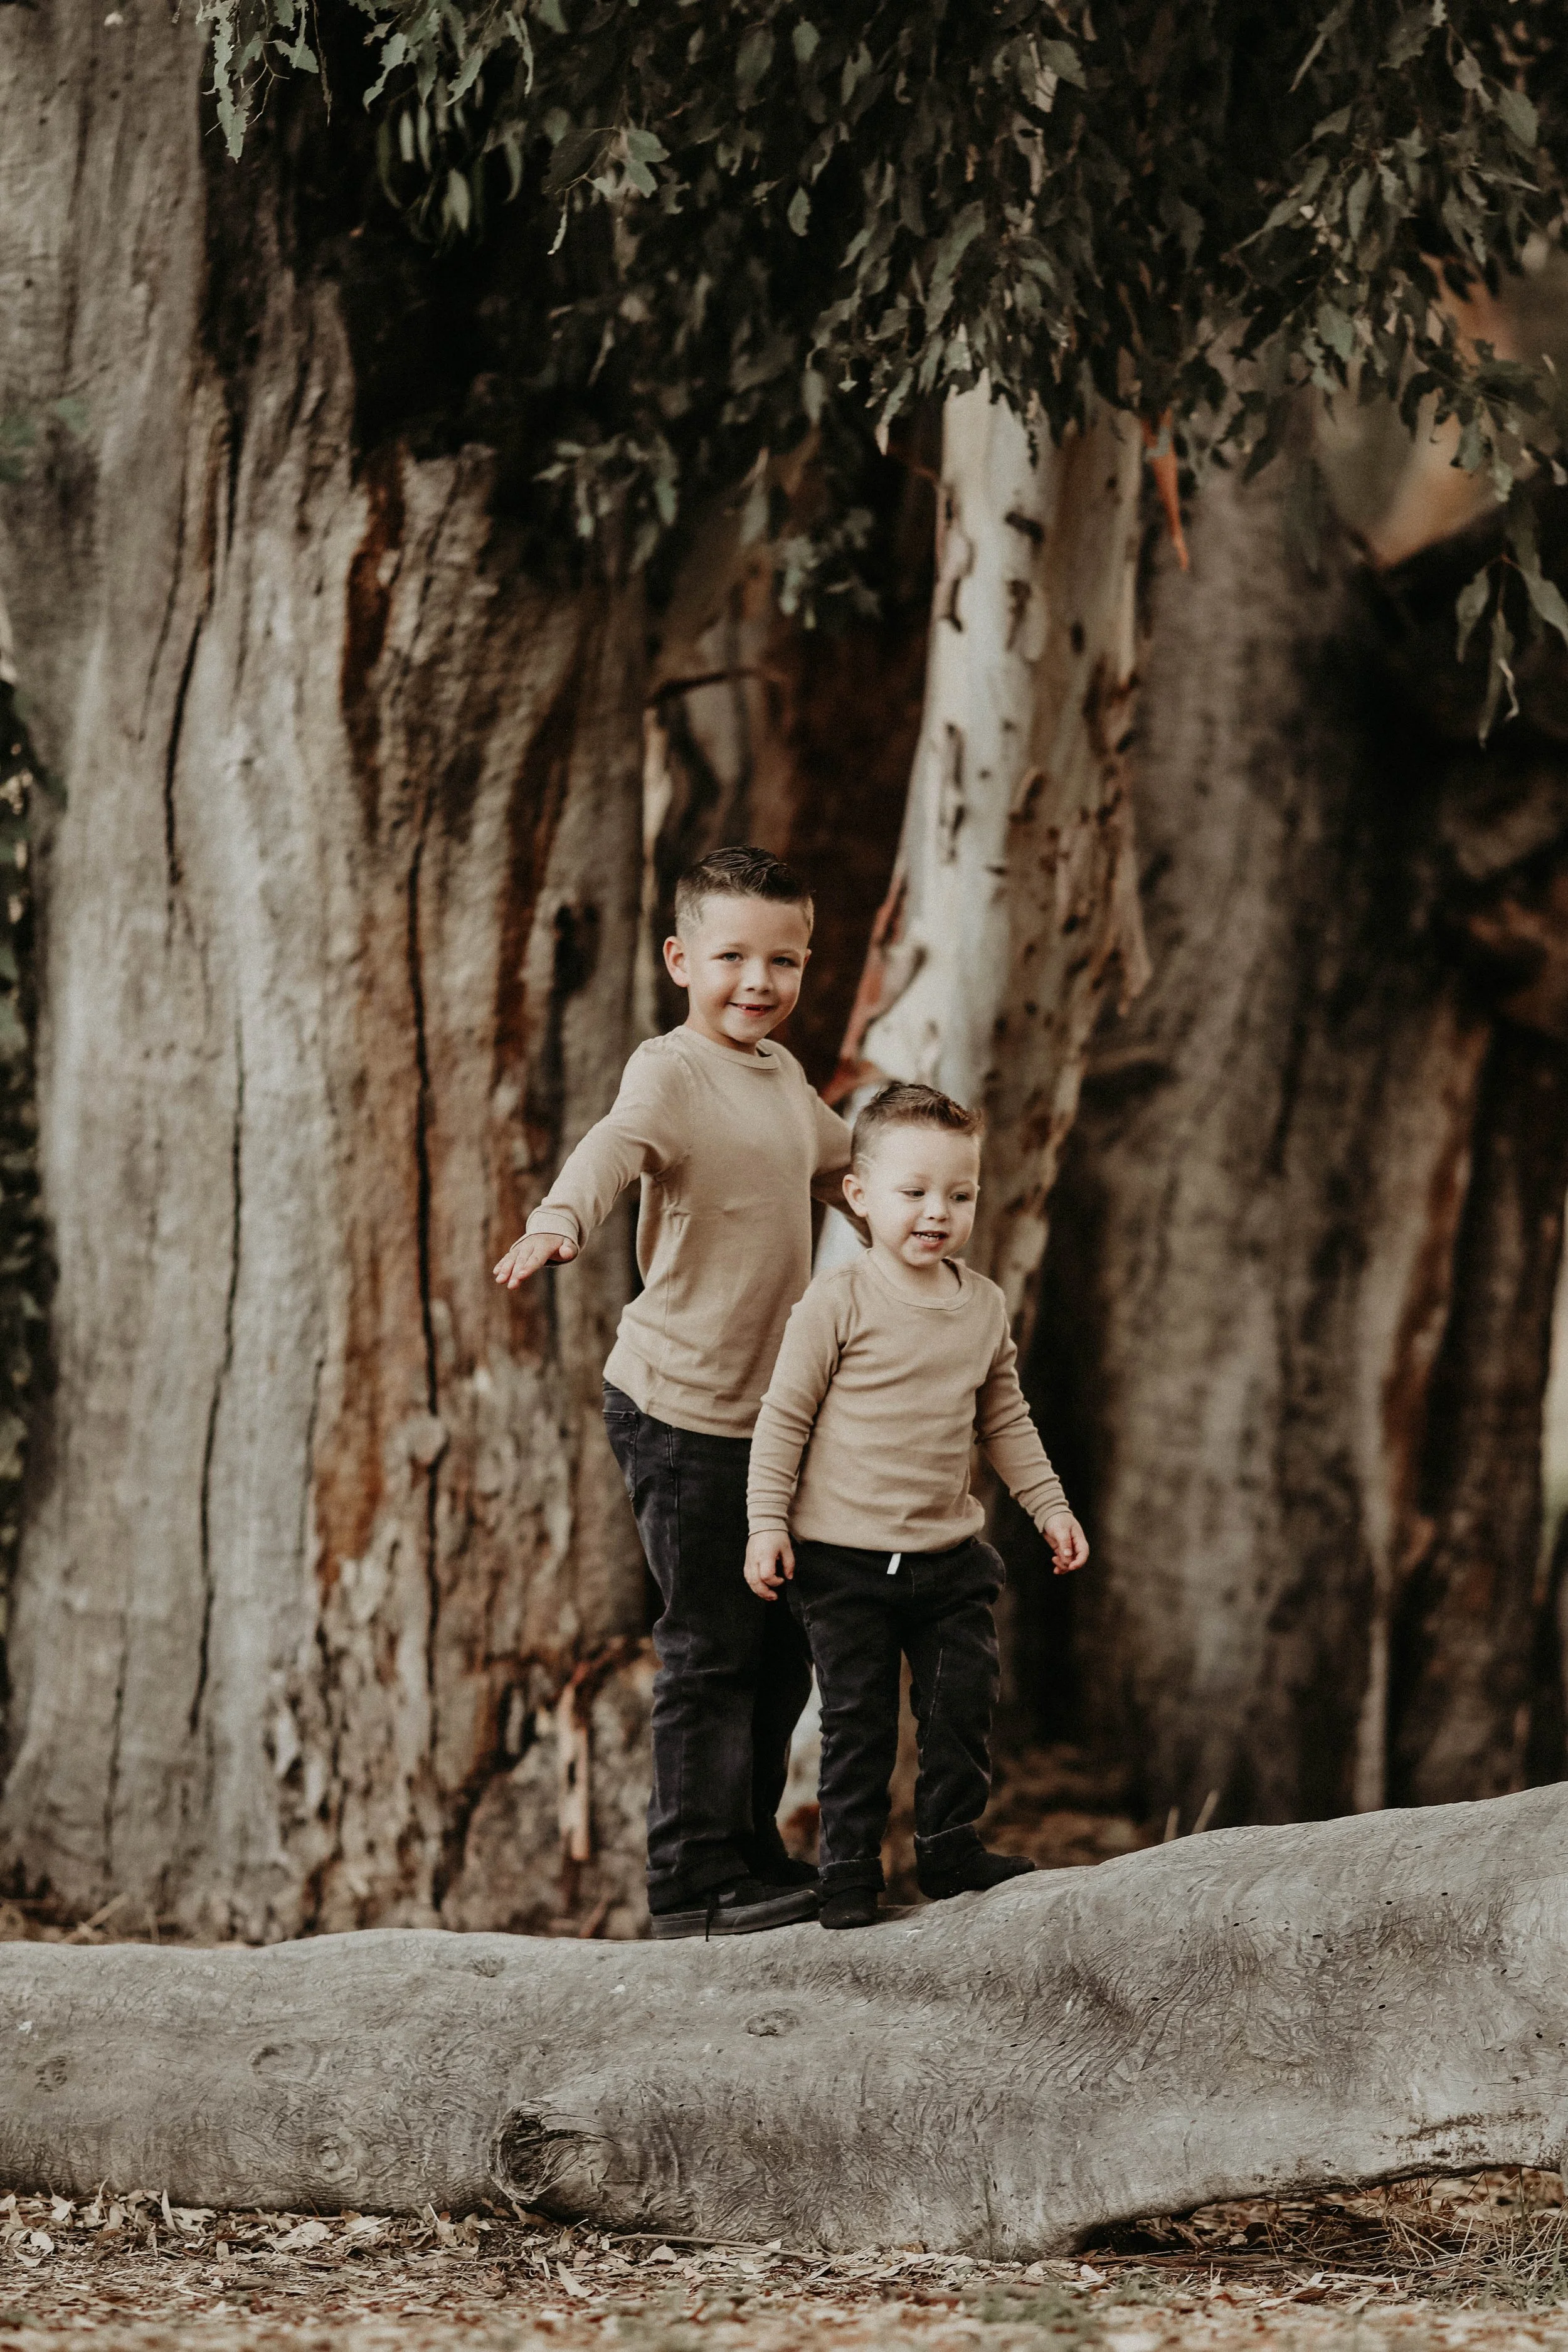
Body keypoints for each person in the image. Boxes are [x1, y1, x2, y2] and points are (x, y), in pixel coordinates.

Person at [493, 846, 853, 1939]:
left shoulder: (782, 1075)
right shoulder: (672, 1070)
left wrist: (923, 1195)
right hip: (682, 1412)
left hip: (774, 1425)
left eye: (783, 959)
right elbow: (614, 1146)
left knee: (786, 1641)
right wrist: (560, 1218)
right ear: (679, 957)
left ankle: (750, 1849)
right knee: (712, 1645)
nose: (759, 980)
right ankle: (690, 1881)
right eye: (734, 955)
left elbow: (849, 1163)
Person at [744, 1080, 1090, 1932]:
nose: (938, 1212)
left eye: (959, 1194)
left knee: (959, 1702)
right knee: (858, 1721)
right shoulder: (838, 1301)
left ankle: (948, 1842)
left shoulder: (980, 1306)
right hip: (842, 1561)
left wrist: (1050, 1506)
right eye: (914, 1192)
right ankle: (850, 1870)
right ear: (859, 1197)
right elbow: (783, 1414)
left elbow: (1004, 1417)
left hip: (946, 1557)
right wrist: (765, 1522)